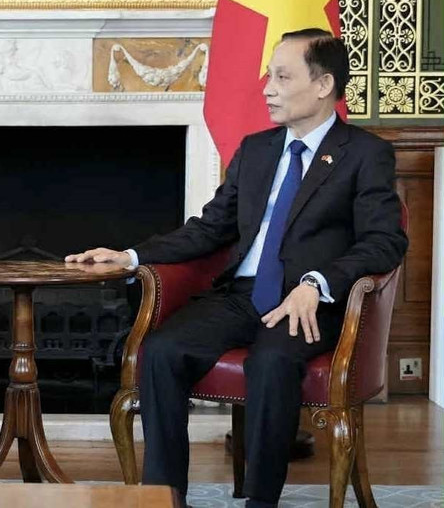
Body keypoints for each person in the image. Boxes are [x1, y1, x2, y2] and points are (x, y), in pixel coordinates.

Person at [66, 29, 407, 507]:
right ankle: (165, 496)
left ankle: (260, 501)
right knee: (160, 351)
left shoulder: (365, 154)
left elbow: (385, 240)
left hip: (306, 302)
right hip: (240, 295)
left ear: (323, 84)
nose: (267, 87)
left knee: (271, 363)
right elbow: (209, 228)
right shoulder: (257, 150)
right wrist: (132, 256)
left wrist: (318, 282)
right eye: (269, 74)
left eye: (282, 76)